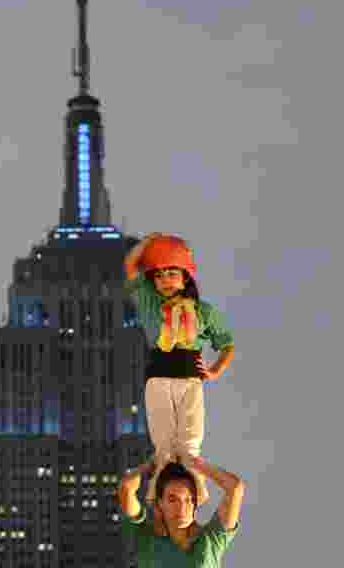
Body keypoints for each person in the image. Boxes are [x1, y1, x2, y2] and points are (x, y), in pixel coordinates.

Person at [124, 232, 236, 504]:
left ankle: (195, 495)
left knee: (189, 446)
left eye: (172, 273)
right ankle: (158, 498)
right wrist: (149, 242)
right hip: (158, 379)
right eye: (159, 275)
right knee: (163, 446)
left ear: (186, 277)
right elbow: (130, 267)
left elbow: (227, 344)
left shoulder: (203, 312)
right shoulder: (150, 303)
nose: (165, 281)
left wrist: (214, 371)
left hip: (189, 380)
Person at [117, 454, 245, 567]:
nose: (182, 508)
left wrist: (199, 465)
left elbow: (235, 488)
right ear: (160, 503)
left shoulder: (210, 541)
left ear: (195, 503)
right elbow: (126, 488)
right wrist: (151, 465)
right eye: (173, 500)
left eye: (189, 500)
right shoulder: (145, 538)